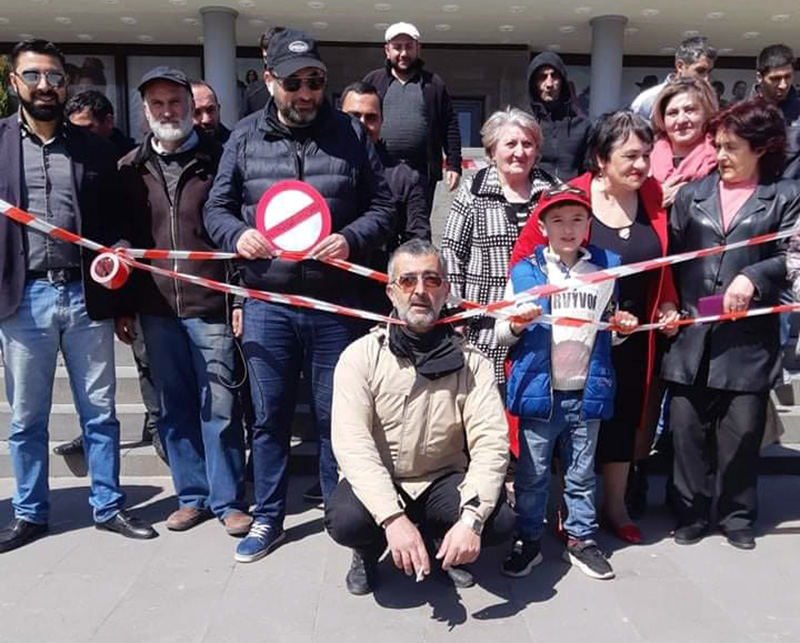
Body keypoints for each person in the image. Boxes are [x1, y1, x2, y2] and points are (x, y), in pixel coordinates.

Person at [203, 28, 395, 563]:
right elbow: (216, 210)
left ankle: (343, 517)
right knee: (269, 418)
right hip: (269, 303)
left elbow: (383, 208)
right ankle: (268, 518)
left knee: (340, 417)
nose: (306, 92)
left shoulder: (351, 136)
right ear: (270, 81)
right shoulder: (242, 138)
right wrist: (236, 236)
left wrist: (351, 237)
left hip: (336, 305)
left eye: (315, 81)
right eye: (294, 82)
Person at [0, 39, 157, 553]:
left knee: (100, 410)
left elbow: (120, 223)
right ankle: (29, 513)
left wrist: (123, 265)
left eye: (54, 77)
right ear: (14, 83)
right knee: (26, 417)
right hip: (24, 300)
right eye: (33, 76)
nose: (44, 86)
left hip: (86, 298)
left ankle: (108, 506)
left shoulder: (93, 149)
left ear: (66, 84)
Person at [510, 112, 679, 545]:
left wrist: (668, 301)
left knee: (622, 418)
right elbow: (526, 259)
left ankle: (615, 505)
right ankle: (568, 507)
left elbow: (665, 260)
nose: (641, 165)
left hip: (631, 330)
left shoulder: (653, 196)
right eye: (630, 156)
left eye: (646, 155)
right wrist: (529, 310)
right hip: (572, 336)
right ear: (602, 159)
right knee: (573, 422)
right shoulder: (571, 197)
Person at [324, 239, 514, 595]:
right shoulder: (360, 357)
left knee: (499, 521)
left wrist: (471, 521)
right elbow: (352, 445)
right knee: (346, 520)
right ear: (391, 292)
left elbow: (491, 443)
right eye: (408, 281)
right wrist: (393, 519)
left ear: (446, 290)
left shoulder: (473, 362)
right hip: (383, 476)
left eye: (432, 280)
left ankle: (445, 545)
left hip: (441, 478)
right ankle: (367, 550)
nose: (420, 292)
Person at [111, 67, 250, 537]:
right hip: (156, 309)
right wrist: (125, 304)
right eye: (158, 104)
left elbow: (234, 230)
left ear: (191, 109)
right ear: (146, 112)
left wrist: (237, 298)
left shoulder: (220, 160)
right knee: (174, 407)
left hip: (209, 304)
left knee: (221, 407)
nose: (167, 111)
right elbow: (122, 239)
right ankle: (191, 497)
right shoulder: (129, 169)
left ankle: (228, 500)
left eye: (175, 102)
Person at [666, 100, 800, 551]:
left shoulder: (784, 197)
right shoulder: (692, 195)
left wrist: (753, 277)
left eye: (731, 147)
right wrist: (668, 305)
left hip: (747, 339)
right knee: (686, 428)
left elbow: (793, 257)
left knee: (741, 432)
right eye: (717, 146)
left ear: (761, 148)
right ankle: (689, 511)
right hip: (692, 333)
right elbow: (672, 258)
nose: (720, 155)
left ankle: (736, 513)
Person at [497, 186, 639, 580]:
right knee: (532, 474)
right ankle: (528, 539)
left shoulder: (605, 268)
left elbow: (608, 330)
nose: (567, 227)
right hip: (540, 394)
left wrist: (622, 329)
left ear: (589, 225)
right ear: (542, 226)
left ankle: (581, 539)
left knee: (580, 472)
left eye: (577, 218)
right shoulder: (525, 271)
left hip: (586, 391)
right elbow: (500, 333)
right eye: (557, 219)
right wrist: (514, 324)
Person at [56, 89, 163, 461]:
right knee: (90, 380)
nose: (78, 133)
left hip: (135, 279)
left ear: (108, 122)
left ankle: (156, 426)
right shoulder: (73, 158)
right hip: (88, 283)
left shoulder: (129, 162)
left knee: (146, 360)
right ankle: (90, 436)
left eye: (87, 126)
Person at [442, 106, 557, 384]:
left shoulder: (553, 192)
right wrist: (456, 314)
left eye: (528, 144)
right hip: (485, 326)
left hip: (540, 320)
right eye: (511, 143)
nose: (520, 152)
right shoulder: (473, 191)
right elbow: (451, 254)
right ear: (492, 151)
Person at [363, 22, 462, 214]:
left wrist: (454, 164)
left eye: (409, 46)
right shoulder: (372, 81)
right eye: (397, 47)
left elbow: (449, 125)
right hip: (380, 170)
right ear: (387, 50)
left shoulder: (434, 83)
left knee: (418, 231)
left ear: (418, 48)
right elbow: (357, 121)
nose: (403, 53)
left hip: (421, 172)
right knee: (382, 228)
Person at [340, 81, 430, 247]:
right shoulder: (318, 166)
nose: (362, 124)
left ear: (382, 121)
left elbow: (417, 242)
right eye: (354, 116)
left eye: (371, 117)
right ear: (339, 117)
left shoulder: (406, 179)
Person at [650, 78, 720, 208]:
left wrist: (688, 195)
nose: (681, 120)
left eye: (689, 110)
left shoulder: (723, 161)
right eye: (672, 113)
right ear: (662, 119)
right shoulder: (644, 160)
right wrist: (653, 202)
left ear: (707, 114)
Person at [525, 51, 590, 181]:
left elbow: (590, 170)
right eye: (542, 77)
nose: (549, 84)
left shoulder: (583, 126)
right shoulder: (525, 125)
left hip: (573, 196)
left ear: (562, 81)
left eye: (554, 76)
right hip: (536, 196)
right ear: (534, 84)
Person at [631, 36, 717, 119]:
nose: (706, 78)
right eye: (700, 71)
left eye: (709, 72)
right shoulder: (648, 100)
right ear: (680, 66)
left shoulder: (709, 100)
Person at [754, 44, 800, 180]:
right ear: (759, 77)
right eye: (775, 79)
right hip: (754, 193)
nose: (783, 85)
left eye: (788, 77)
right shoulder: (741, 114)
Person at [64, 89, 136, 158]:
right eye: (74, 129)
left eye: (87, 128)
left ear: (108, 121)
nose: (80, 135)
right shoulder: (65, 155)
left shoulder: (134, 160)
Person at [240, 26, 285, 118]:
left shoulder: (307, 89)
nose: (270, 62)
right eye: (266, 58)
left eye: (276, 56)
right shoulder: (253, 92)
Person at [191, 79, 231, 144]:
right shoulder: (174, 151)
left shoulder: (237, 147)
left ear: (218, 109)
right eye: (197, 113)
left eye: (210, 110)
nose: (206, 120)